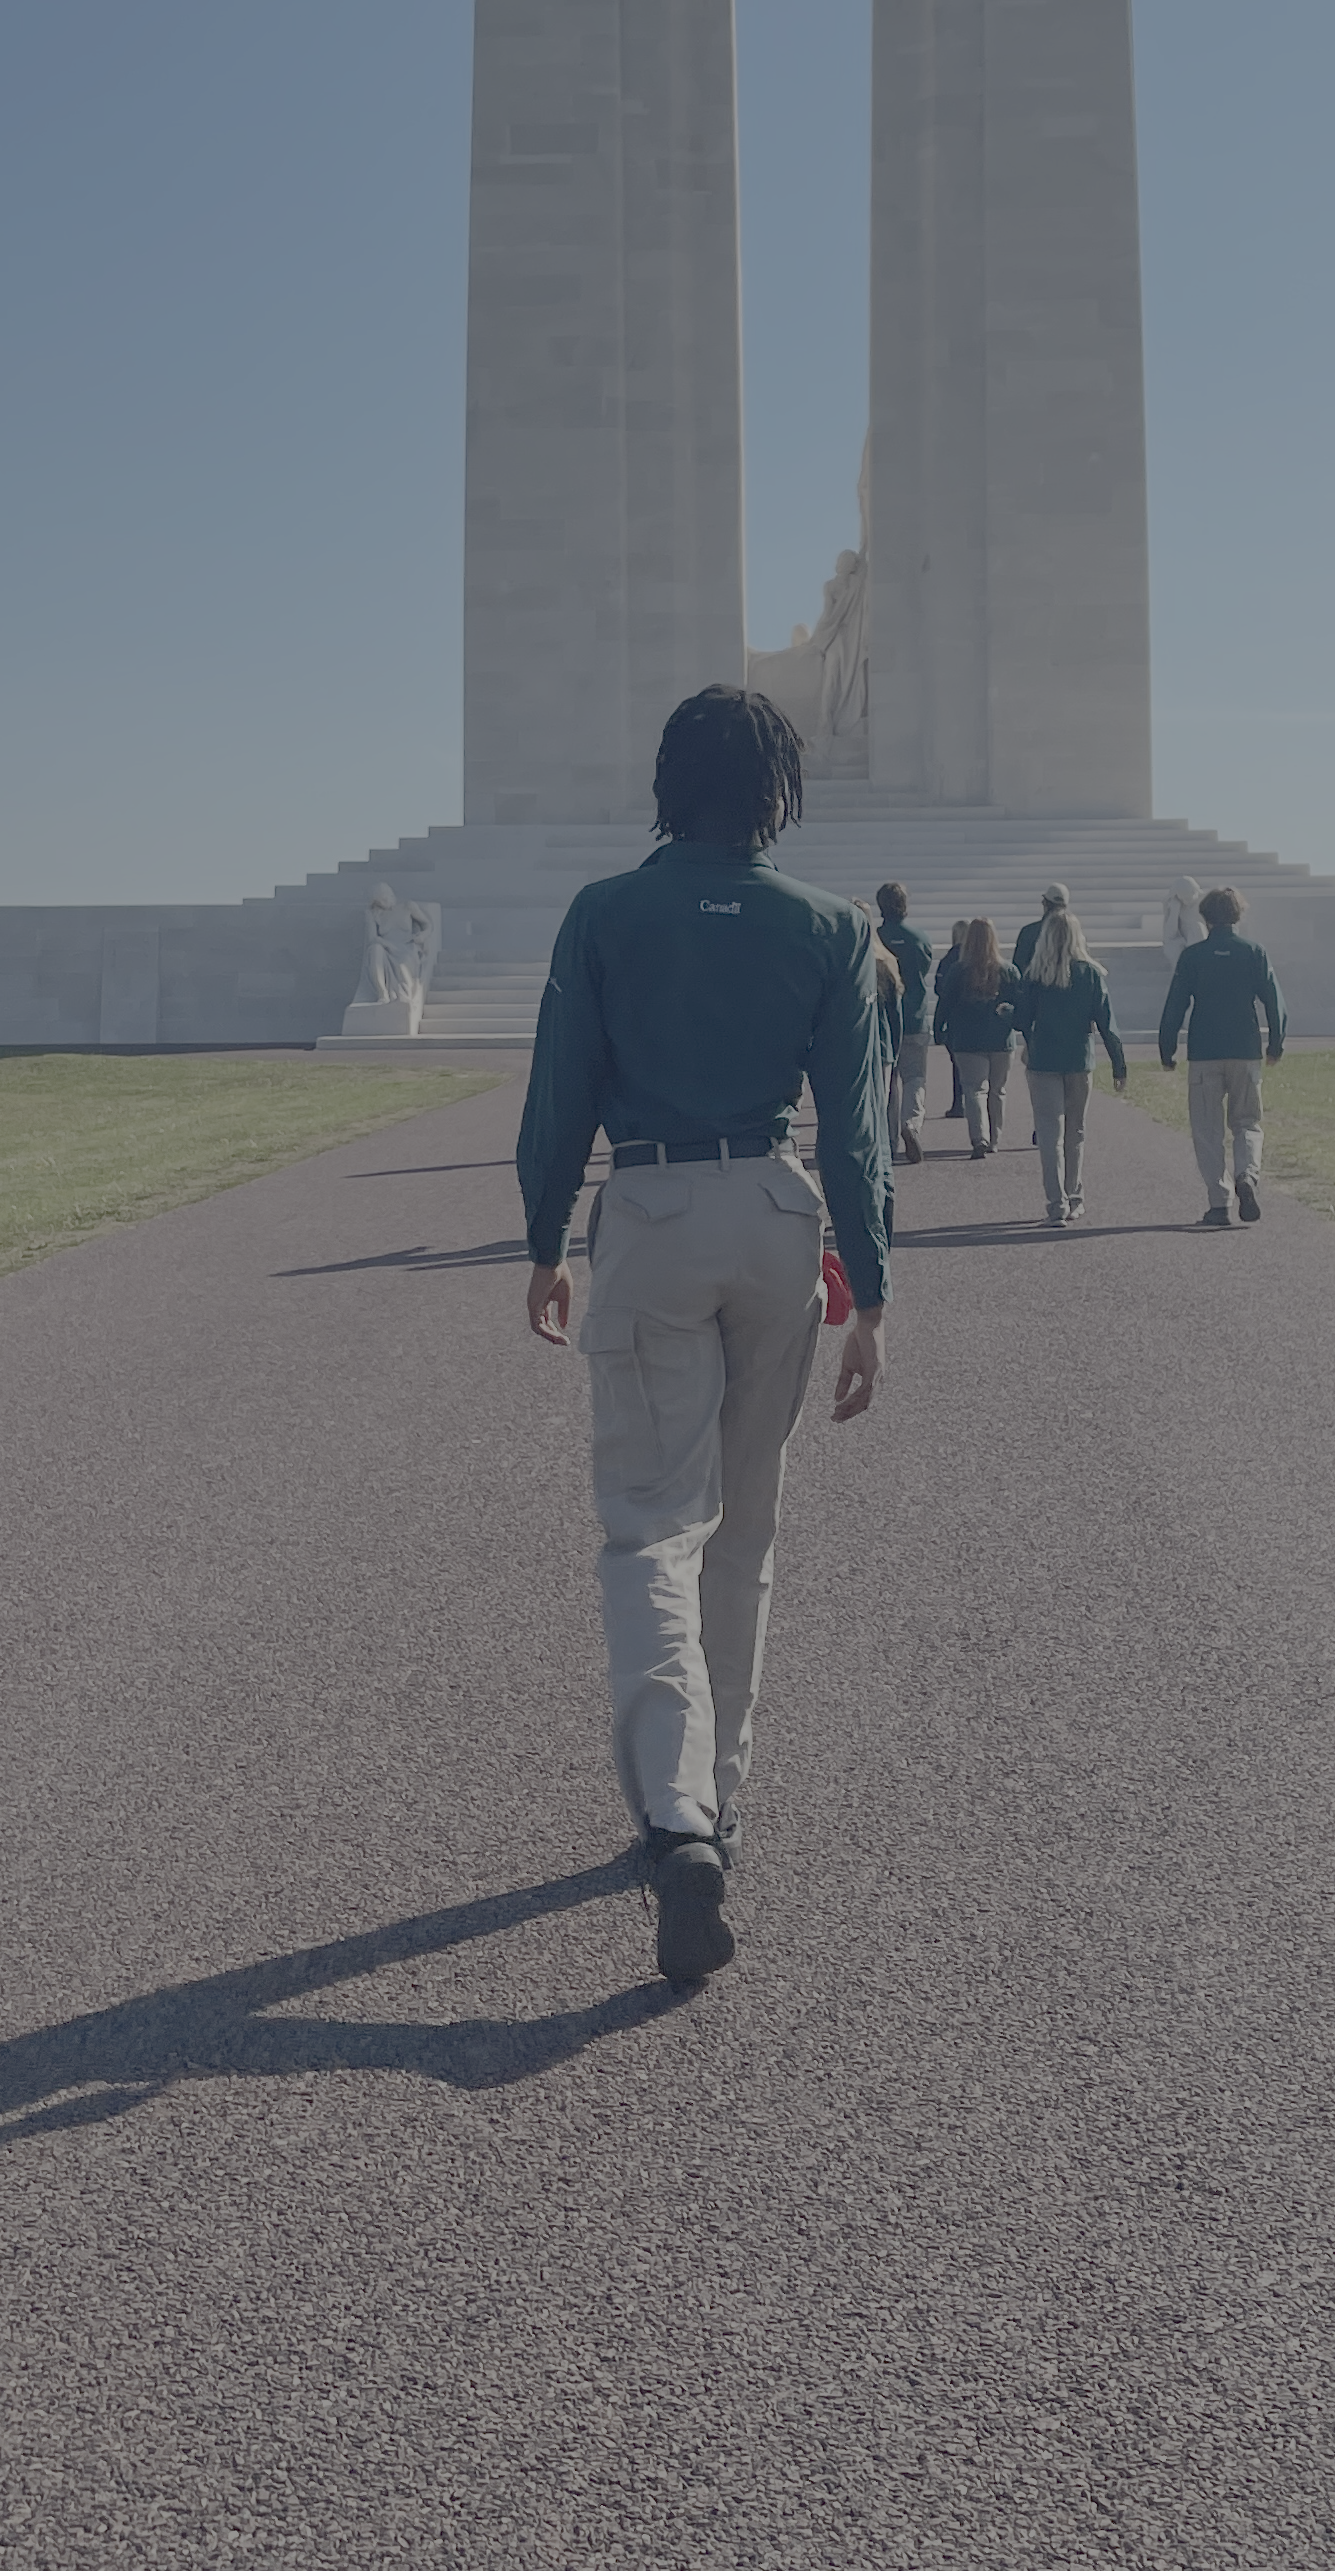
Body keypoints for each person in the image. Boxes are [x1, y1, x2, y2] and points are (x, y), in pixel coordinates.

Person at [519, 688, 890, 1986]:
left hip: (656, 1200)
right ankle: (722, 1795)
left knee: (646, 1525)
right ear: (780, 791)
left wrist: (539, 1237)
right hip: (780, 1209)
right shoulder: (833, 927)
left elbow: (561, 1081)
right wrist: (875, 1291)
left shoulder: (607, 914)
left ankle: (676, 1817)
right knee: (746, 1523)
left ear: (671, 782)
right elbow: (854, 1125)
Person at [1157, 885, 1286, 1227]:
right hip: (1244, 1049)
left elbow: (1175, 1006)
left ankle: (1219, 1202)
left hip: (1204, 1050)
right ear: (1238, 914)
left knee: (1207, 1128)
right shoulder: (1253, 952)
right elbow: (1274, 1002)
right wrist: (1275, 1044)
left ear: (1205, 916)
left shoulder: (1193, 957)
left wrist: (1167, 1049)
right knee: (1247, 1122)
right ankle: (1247, 1174)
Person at [1013, 902, 1127, 1224]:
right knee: (1076, 1132)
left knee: (1050, 1134)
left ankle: (1056, 1204)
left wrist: (1008, 1012)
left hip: (1043, 1060)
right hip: (1079, 1060)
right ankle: (1074, 1195)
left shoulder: (1035, 975)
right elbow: (1108, 1025)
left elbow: (1022, 1019)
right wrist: (1119, 1066)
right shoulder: (1090, 974)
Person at [934, 915, 1020, 1157]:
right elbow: (1020, 1004)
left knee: (974, 1089)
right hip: (1000, 1040)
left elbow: (945, 1003)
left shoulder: (958, 971)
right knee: (998, 1090)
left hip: (967, 1040)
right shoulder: (1009, 971)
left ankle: (978, 1137)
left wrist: (939, 1029)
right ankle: (994, 1139)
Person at [875, 881, 935, 1166]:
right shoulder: (918, 938)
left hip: (884, 1018)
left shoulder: (875, 938)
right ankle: (911, 1123)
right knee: (915, 1077)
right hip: (914, 1015)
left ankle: (888, 1140)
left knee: (888, 1082)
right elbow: (923, 969)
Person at [936, 917, 970, 1118]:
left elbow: (940, 990)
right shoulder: (975, 958)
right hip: (974, 1018)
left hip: (954, 1022)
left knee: (958, 1066)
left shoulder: (947, 961)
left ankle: (959, 1103)